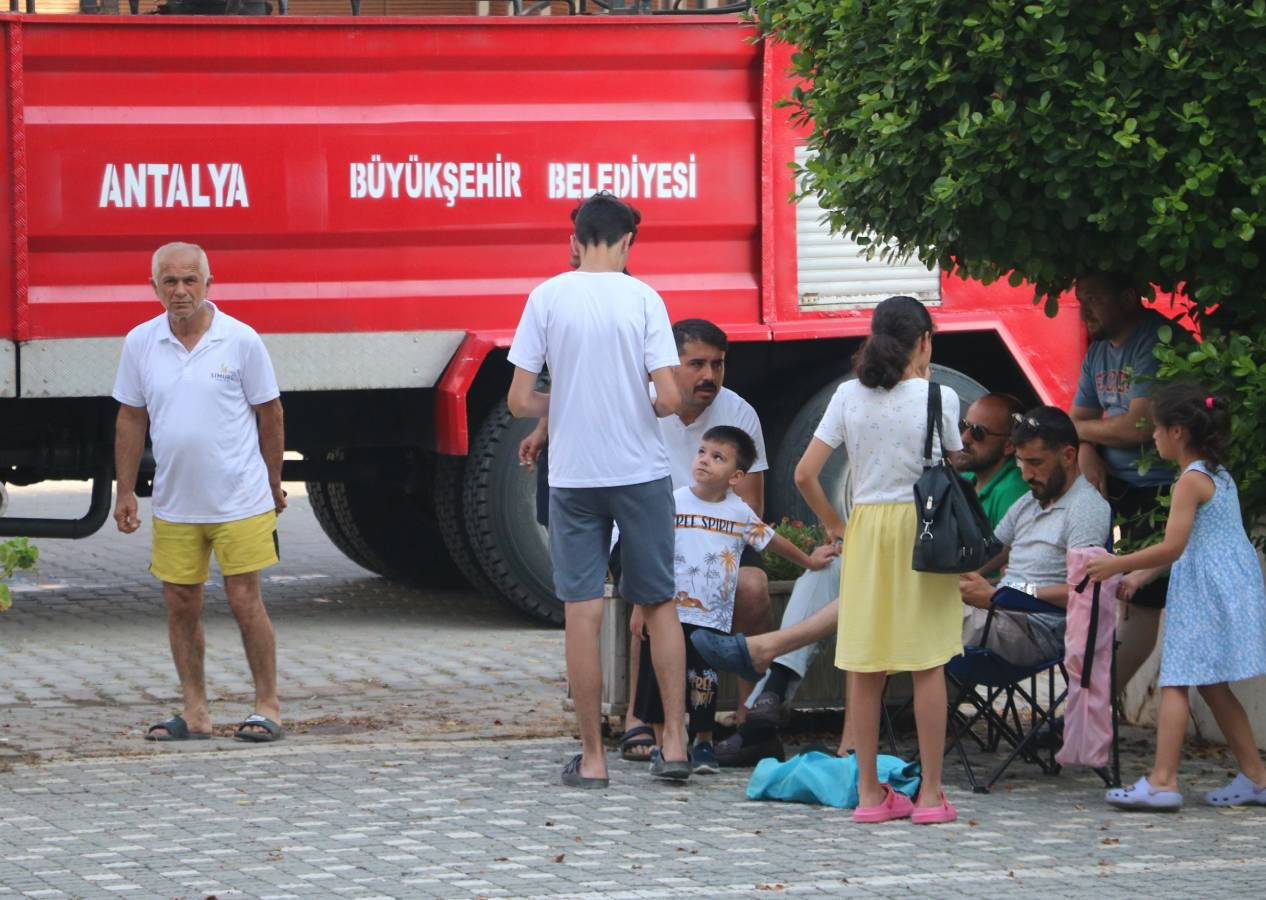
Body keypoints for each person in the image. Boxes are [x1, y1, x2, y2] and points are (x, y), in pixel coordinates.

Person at [709, 392, 1030, 766]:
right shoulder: (957, 476)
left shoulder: (1012, 490)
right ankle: (777, 691)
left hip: (955, 592)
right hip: (918, 579)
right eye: (962, 427)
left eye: (978, 432)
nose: (965, 438)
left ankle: (774, 667)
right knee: (833, 567)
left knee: (864, 593)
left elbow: (994, 559)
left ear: (1008, 445)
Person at [521, 317, 773, 763]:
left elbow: (749, 511)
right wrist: (542, 429)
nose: (709, 376)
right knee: (658, 587)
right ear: (667, 365)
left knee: (751, 587)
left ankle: (749, 715)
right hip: (641, 530)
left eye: (718, 364)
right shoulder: (640, 407)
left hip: (716, 544)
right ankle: (641, 716)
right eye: (696, 364)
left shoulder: (741, 414)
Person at [506, 192, 689, 786]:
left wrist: (562, 407)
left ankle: (592, 758)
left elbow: (517, 398)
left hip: (575, 478)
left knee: (581, 612)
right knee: (658, 605)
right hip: (640, 473)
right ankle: (677, 745)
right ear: (629, 242)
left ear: (575, 240)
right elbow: (671, 397)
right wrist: (634, 398)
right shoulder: (645, 299)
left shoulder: (546, 297)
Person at [112, 242, 287, 744]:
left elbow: (270, 413)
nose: (181, 291)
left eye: (190, 280)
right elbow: (131, 416)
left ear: (208, 284)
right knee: (179, 602)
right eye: (170, 282)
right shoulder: (141, 342)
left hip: (240, 499)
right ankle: (195, 713)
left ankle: (267, 706)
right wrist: (125, 491)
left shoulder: (241, 340)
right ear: (155, 289)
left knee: (244, 600)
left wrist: (272, 483)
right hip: (174, 502)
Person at [800, 294, 962, 824]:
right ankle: (932, 795)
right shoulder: (941, 397)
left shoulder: (848, 395)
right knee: (927, 662)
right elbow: (952, 461)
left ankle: (870, 794)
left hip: (867, 528)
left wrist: (835, 524)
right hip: (924, 529)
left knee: (866, 664)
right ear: (923, 341)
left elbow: (803, 474)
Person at [1086, 383, 1266, 811]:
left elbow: (1174, 546)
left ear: (1179, 432)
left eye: (1158, 428)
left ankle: (1163, 780)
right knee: (1211, 684)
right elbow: (1192, 542)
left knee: (1176, 678)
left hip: (1205, 591)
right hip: (1224, 586)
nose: (1152, 436)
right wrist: (1144, 576)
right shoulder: (1217, 474)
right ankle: (1257, 777)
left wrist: (1118, 564)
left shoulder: (1190, 482)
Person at [628, 426, 837, 773]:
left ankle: (704, 742)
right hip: (666, 613)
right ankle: (665, 739)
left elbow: (772, 541)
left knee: (704, 681)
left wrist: (810, 560)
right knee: (658, 677)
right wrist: (640, 606)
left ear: (737, 476)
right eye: (702, 452)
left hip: (712, 618)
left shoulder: (739, 513)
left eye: (718, 457)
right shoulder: (674, 501)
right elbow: (652, 553)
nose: (705, 461)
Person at [1070, 272, 1174, 691]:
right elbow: (1076, 419)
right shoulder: (1097, 353)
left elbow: (1138, 427)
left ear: (1129, 297)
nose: (1083, 309)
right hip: (1112, 487)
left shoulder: (1155, 339)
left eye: (1093, 298)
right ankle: (1092, 703)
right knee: (1096, 589)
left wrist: (1084, 437)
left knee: (1142, 603)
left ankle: (1097, 704)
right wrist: (1087, 449)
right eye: (1080, 298)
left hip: (1158, 490)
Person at [958, 406, 1112, 665]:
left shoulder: (1086, 508)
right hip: (1000, 612)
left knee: (927, 622)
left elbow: (1085, 592)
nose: (1026, 474)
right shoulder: (1029, 501)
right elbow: (990, 552)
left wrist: (1004, 594)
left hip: (1036, 629)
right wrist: (955, 575)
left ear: (1068, 455)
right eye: (1021, 462)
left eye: (1035, 463)